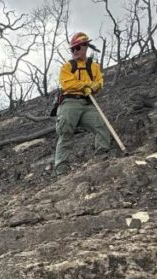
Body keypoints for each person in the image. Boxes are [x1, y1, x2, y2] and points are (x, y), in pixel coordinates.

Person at [53, 32, 112, 176]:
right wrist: (86, 85)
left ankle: (102, 156)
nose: (75, 51)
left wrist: (93, 87)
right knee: (65, 131)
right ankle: (61, 169)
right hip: (69, 102)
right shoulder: (67, 67)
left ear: (85, 47)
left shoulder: (94, 67)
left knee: (101, 125)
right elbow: (68, 84)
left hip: (87, 103)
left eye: (77, 48)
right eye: (72, 49)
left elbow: (99, 82)